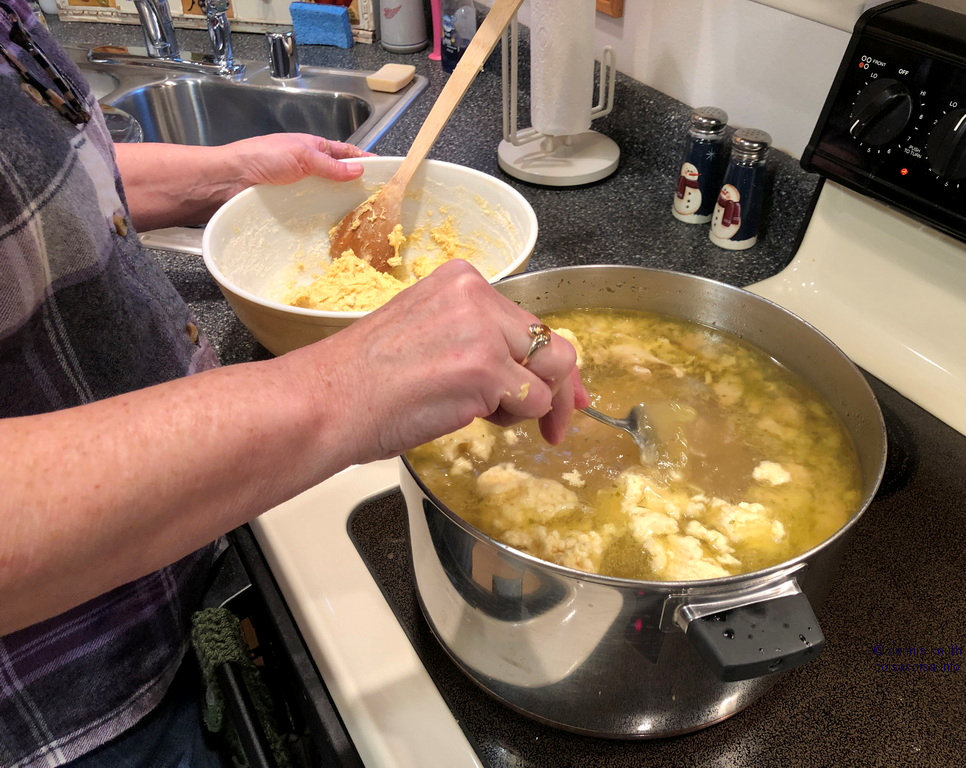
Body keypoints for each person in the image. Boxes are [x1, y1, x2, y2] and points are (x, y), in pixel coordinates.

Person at [0, 1, 585, 765]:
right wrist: (347, 385)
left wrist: (224, 174)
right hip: (71, 702)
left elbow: (49, 190)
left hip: (171, 549)